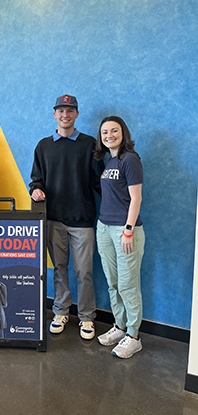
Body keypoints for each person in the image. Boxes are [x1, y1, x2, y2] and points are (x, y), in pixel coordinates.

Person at [29, 95, 105, 339]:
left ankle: (86, 317)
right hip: (53, 220)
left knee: (84, 272)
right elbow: (36, 179)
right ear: (55, 114)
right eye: (61, 110)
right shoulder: (43, 146)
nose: (65, 115)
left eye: (70, 110)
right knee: (59, 269)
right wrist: (36, 189)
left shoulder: (89, 144)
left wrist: (121, 204)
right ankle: (61, 311)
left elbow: (99, 182)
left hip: (82, 220)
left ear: (76, 114)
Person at [94, 116, 145, 359]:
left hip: (124, 231)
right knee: (113, 282)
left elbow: (136, 198)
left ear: (123, 133)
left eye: (114, 131)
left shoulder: (130, 159)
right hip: (104, 227)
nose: (109, 135)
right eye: (105, 132)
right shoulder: (110, 161)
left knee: (127, 284)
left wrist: (128, 229)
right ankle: (120, 326)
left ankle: (134, 336)